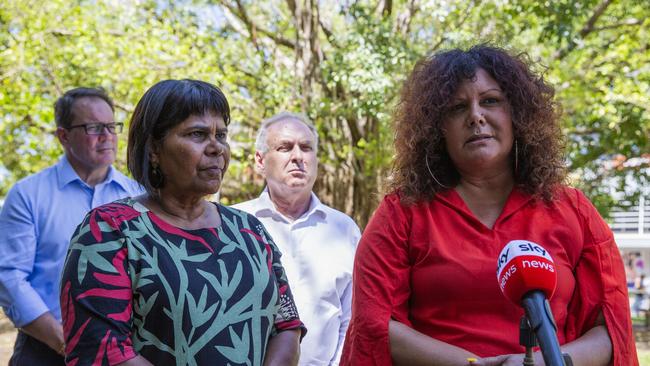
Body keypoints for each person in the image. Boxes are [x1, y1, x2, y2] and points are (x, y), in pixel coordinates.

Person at [340, 45, 637, 366]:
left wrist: (540, 363)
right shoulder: (401, 213)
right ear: (437, 128)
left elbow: (611, 325)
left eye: (491, 101)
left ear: (518, 115)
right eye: (457, 108)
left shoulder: (574, 211)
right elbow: (374, 322)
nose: (476, 116)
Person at [60, 79, 305, 366]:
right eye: (198, 134)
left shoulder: (249, 231)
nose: (216, 148)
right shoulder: (110, 232)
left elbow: (287, 323)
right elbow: (104, 350)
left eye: (221, 135)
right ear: (154, 148)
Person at [0, 87, 143, 365]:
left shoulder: (138, 195)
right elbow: (9, 276)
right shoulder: (28, 195)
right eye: (93, 127)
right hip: (45, 348)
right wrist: (63, 340)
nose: (107, 136)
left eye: (112, 126)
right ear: (63, 136)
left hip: (125, 351)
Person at [234, 112, 360, 365]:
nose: (297, 157)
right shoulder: (234, 223)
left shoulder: (344, 230)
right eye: (284, 147)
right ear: (260, 160)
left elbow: (352, 317)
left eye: (306, 148)